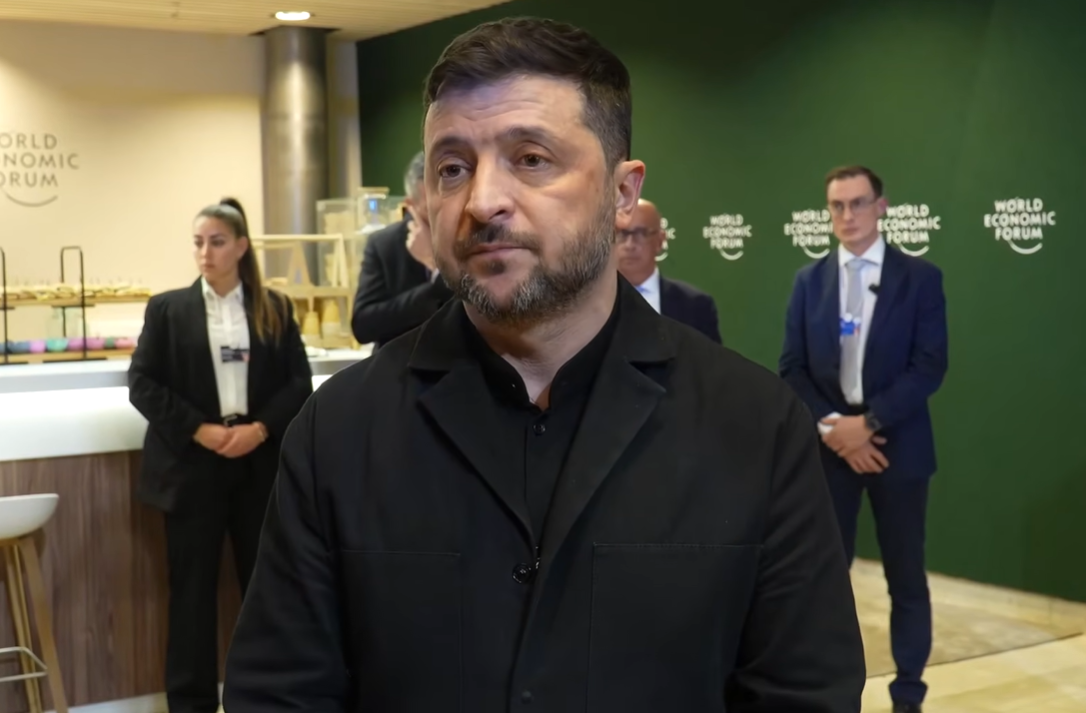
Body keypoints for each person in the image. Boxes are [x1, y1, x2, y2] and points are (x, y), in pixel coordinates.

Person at [224, 18, 865, 713]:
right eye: (452, 168)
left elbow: (805, 693)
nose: (481, 201)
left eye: (531, 158)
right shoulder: (340, 430)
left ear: (623, 192)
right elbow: (279, 695)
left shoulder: (754, 427)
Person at [128, 198, 313, 713]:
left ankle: (265, 696)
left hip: (257, 464)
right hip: (193, 467)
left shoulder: (274, 307)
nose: (205, 252)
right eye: (198, 242)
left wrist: (260, 429)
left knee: (266, 590)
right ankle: (190, 703)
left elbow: (298, 382)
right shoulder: (167, 310)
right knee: (191, 594)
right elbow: (142, 383)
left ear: (241, 247)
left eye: (216, 242)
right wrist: (199, 429)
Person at [779, 166, 949, 713]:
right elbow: (792, 367)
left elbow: (929, 367)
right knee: (825, 579)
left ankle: (908, 695)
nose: (847, 216)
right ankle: (830, 690)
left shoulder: (920, 278)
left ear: (881, 207)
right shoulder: (808, 281)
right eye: (837, 206)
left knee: (906, 577)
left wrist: (868, 425)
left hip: (899, 447)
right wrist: (836, 429)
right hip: (831, 449)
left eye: (858, 203)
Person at [350, 150, 455, 347]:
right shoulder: (384, 244)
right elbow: (363, 326)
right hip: (398, 362)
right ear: (410, 205)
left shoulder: (471, 236)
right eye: (429, 210)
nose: (441, 218)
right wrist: (431, 292)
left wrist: (435, 266)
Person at [618, 198, 722, 342]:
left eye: (641, 233)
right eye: (621, 233)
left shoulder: (696, 306)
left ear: (660, 241)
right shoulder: (588, 302)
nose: (629, 245)